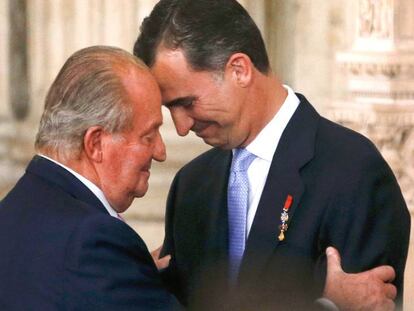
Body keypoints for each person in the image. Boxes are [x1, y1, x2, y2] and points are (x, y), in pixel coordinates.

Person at [133, 0, 411, 310]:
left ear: (239, 69)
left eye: (186, 103)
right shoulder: (191, 185)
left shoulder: (353, 171)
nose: (181, 127)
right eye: (170, 108)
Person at [0, 46, 177, 310]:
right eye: (148, 136)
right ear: (95, 143)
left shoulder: (12, 212)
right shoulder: (92, 241)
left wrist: (129, 273)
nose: (161, 152)